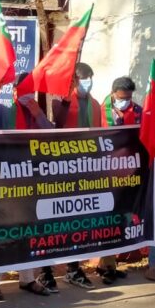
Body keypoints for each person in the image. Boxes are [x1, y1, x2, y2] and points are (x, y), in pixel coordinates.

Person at [0, 73, 54, 296]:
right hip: (3, 180)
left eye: (31, 91)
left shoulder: (37, 115)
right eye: (23, 90)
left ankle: (27, 279)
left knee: (28, 229)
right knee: (0, 230)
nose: (27, 95)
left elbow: (52, 136)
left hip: (30, 181)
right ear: (14, 92)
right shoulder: (3, 112)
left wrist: (38, 114)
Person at [49, 62, 101, 289]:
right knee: (56, 221)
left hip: (87, 171)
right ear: (73, 81)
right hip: (63, 171)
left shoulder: (95, 105)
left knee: (78, 223)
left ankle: (73, 268)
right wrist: (65, 101)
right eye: (83, 78)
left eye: (90, 78)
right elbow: (58, 125)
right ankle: (46, 270)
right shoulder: (60, 101)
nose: (88, 82)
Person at [96, 76, 143, 284]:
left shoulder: (138, 111)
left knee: (122, 218)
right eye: (122, 97)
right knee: (108, 219)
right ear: (113, 93)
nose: (125, 102)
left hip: (129, 174)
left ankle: (109, 264)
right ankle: (107, 266)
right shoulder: (99, 111)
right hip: (104, 175)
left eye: (128, 98)